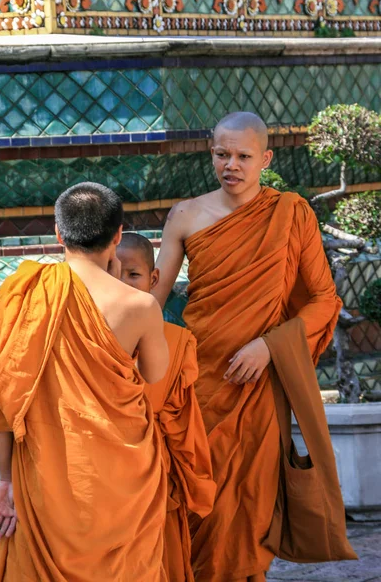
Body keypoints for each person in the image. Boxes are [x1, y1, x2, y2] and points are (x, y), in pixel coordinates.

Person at [152, 112, 351, 581]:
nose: (232, 166)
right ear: (212, 153)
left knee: (250, 512)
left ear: (266, 158)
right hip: (199, 386)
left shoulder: (290, 213)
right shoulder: (186, 215)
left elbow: (325, 300)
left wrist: (268, 346)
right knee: (196, 505)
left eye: (244, 156)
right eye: (223, 154)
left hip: (260, 388)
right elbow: (149, 304)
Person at [0, 182, 169, 582]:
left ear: (58, 234)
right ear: (118, 235)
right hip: (125, 478)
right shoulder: (140, 305)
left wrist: (7, 480)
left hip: (48, 479)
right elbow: (155, 374)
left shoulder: (25, 292)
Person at [117, 232, 216, 582]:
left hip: (157, 475)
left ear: (154, 279)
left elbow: (182, 421)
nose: (123, 284)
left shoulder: (175, 342)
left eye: (133, 275)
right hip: (103, 470)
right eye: (113, 273)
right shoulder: (85, 336)